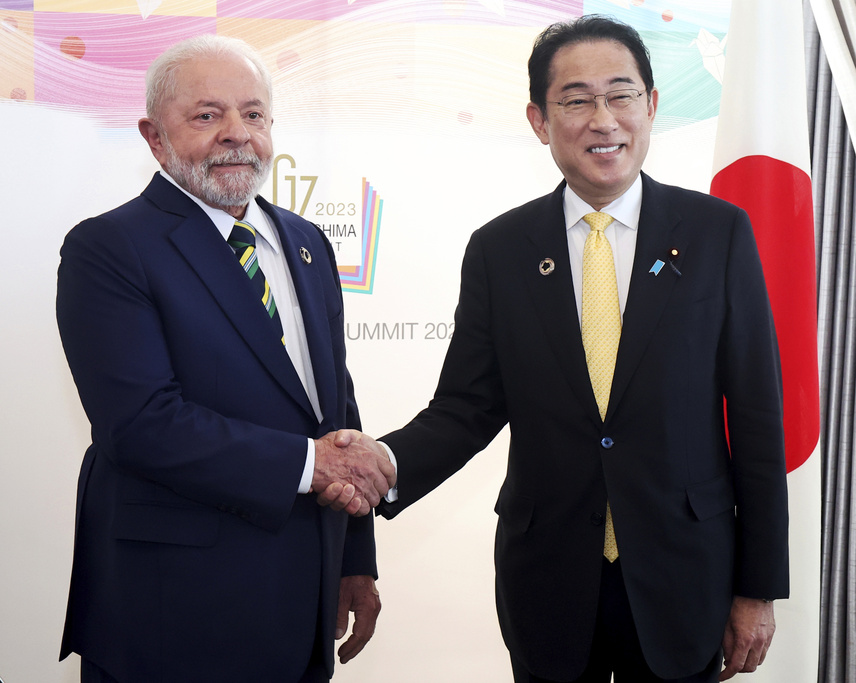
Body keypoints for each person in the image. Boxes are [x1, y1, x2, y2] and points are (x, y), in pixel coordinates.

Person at [328, 14, 788, 683]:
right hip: (549, 578)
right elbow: (466, 407)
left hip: (683, 576)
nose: (603, 119)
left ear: (651, 107)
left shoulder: (718, 234)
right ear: (541, 120)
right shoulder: (501, 249)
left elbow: (756, 420)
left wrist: (758, 587)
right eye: (575, 100)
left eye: (621, 95)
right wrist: (385, 461)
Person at [56, 34, 395, 683]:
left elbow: (336, 411)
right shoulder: (108, 249)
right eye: (207, 115)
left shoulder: (307, 243)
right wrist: (308, 463)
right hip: (169, 620)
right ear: (154, 137)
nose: (236, 134)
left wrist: (356, 557)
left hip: (301, 608)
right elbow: (141, 424)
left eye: (254, 114)